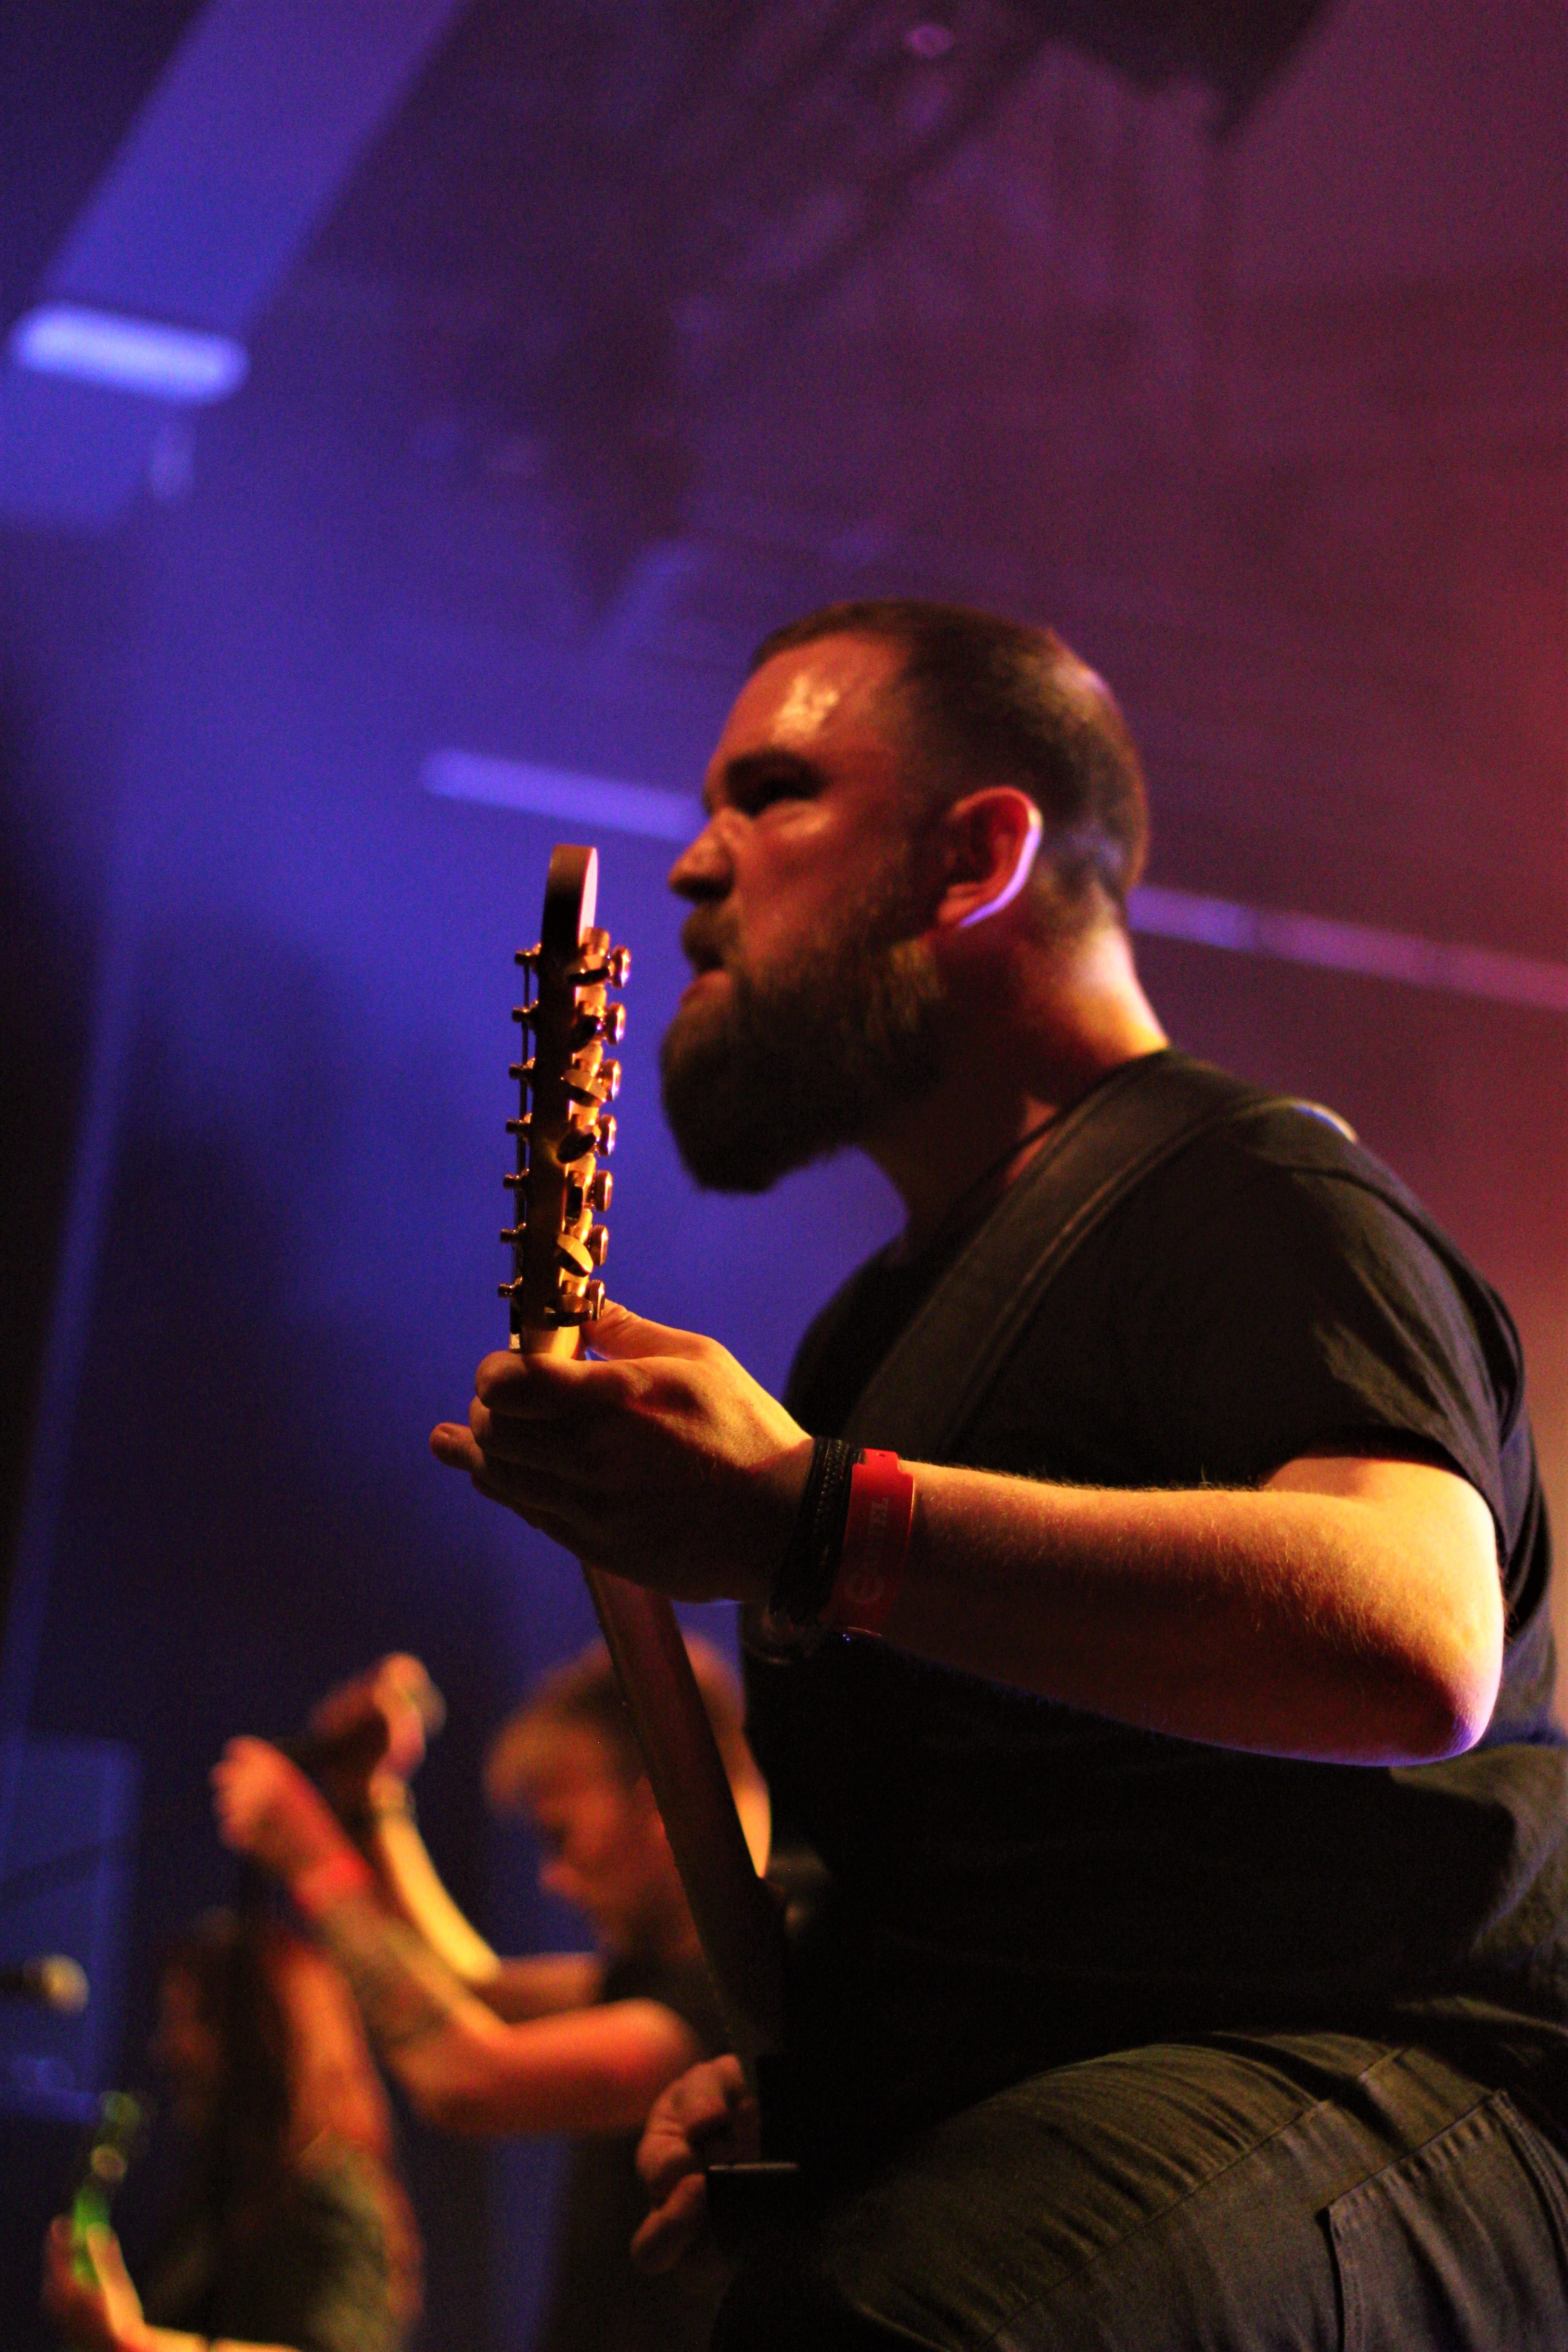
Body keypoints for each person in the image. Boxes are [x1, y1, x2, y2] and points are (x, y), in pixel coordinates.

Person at [427, 599, 1568, 2349]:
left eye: (775, 793)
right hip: (1088, 2125)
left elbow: (1418, 1638)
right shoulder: (865, 1339)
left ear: (978, 855)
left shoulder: (1249, 1187)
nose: (691, 866)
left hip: (1379, 2084)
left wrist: (814, 1517)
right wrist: (834, 2076)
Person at [213, 1640, 764, 2352]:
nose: (555, 1877)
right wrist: (369, 1805)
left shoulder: (735, 1997)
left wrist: (312, 1859)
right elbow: (468, 1986)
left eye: (561, 1835)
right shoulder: (658, 1975)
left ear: (659, 1796)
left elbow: (467, 2079)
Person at [43, 1912, 420, 2352]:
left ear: (259, 2035)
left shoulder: (332, 2192)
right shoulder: (225, 2182)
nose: (164, 2048)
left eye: (185, 2021)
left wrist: (131, 2343)